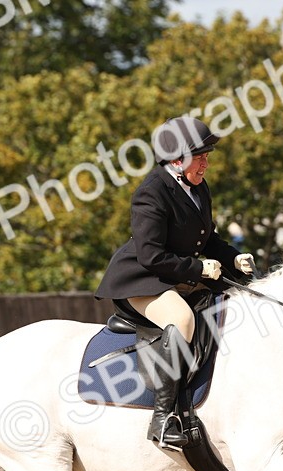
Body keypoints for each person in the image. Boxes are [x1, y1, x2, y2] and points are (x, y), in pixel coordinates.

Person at [95, 116, 255, 450]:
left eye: (207, 156)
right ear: (177, 159)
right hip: (141, 280)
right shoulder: (151, 193)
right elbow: (151, 255)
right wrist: (198, 270)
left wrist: (233, 258)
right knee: (181, 320)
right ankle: (163, 419)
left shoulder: (197, 187)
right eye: (201, 156)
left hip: (177, 277)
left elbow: (207, 239)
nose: (206, 163)